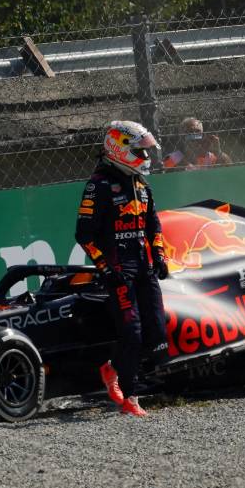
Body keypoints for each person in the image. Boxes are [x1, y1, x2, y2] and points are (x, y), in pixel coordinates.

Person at [75, 119, 170, 418]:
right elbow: (84, 235)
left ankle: (112, 368)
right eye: (140, 152)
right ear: (119, 149)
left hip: (144, 266)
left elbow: (153, 223)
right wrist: (105, 267)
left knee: (157, 336)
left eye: (146, 152)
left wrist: (160, 255)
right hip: (119, 270)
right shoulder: (99, 185)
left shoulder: (142, 184)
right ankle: (130, 398)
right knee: (132, 333)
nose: (145, 158)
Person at [163, 116, 232, 169]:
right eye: (189, 131)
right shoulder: (176, 156)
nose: (194, 135)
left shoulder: (209, 157)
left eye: (197, 131)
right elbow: (159, 171)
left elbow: (230, 168)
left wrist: (218, 151)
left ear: (202, 134)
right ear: (181, 135)